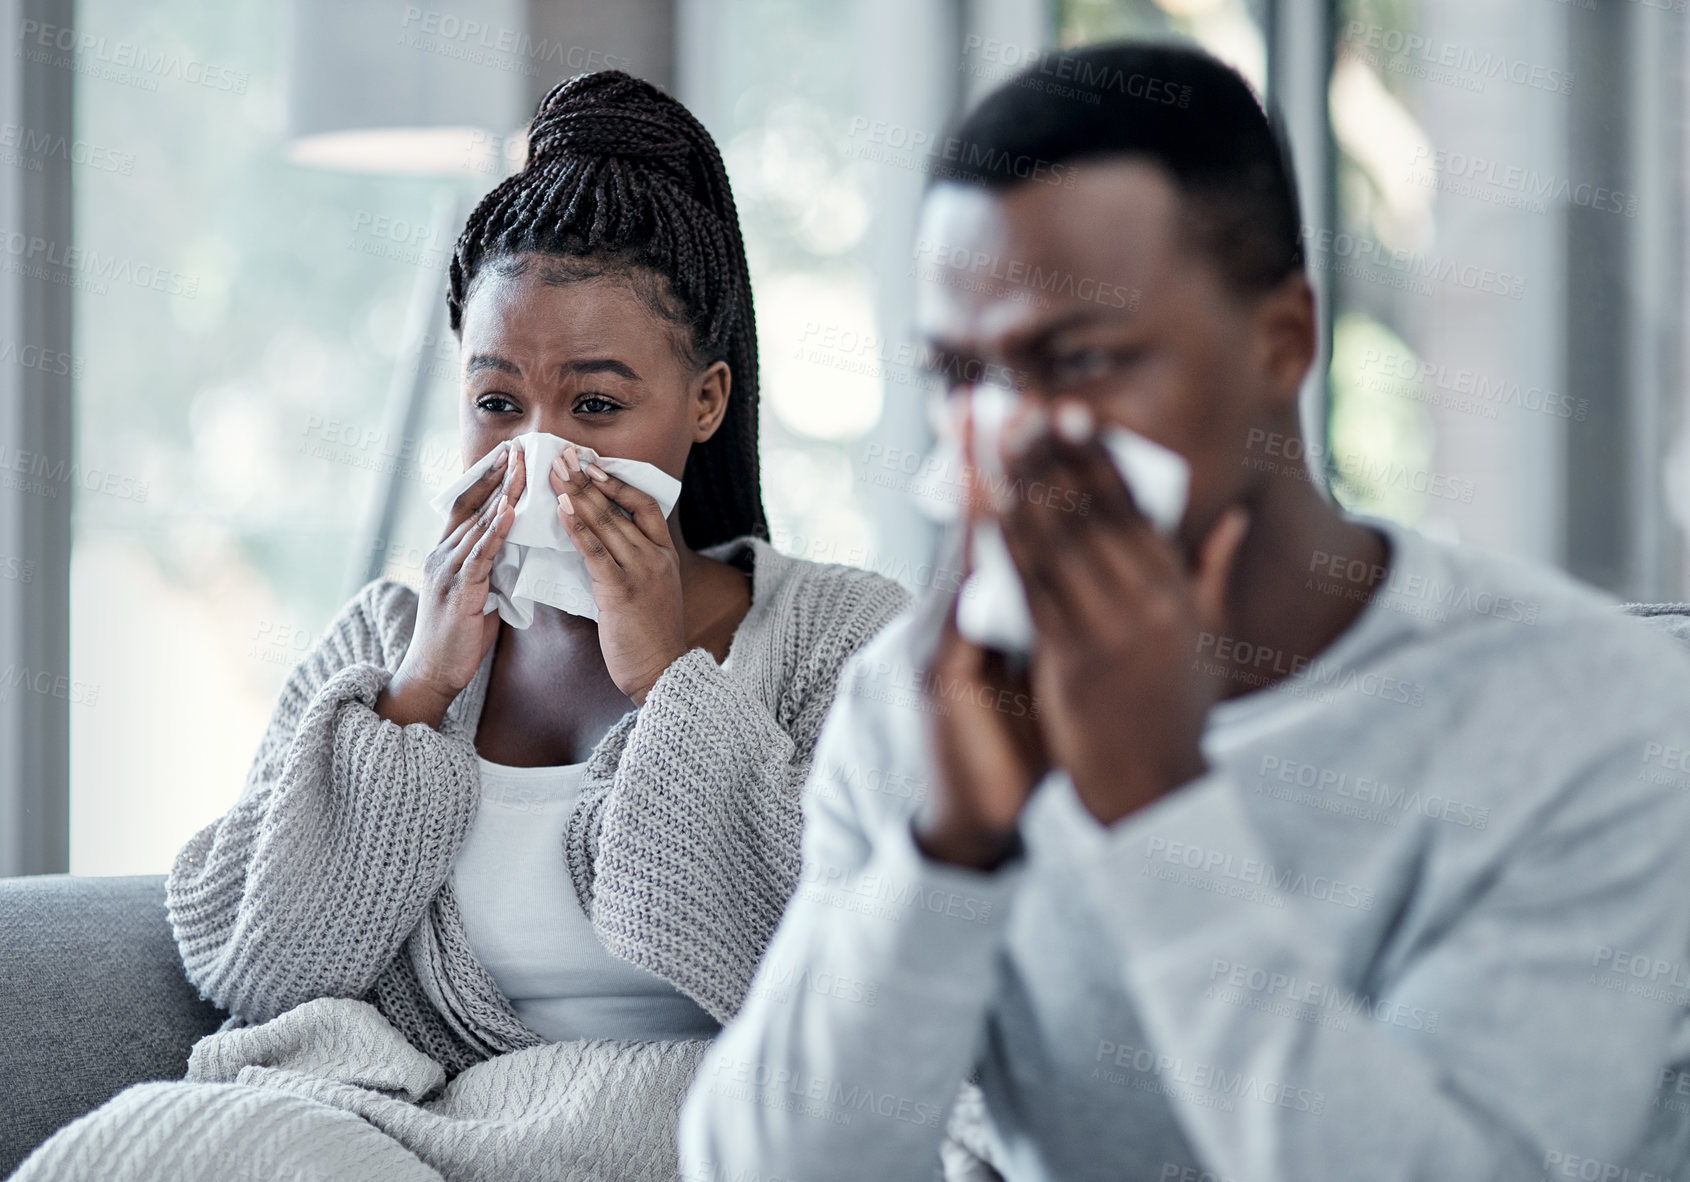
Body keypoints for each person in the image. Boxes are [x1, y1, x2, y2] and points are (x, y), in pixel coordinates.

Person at [678, 42, 1690, 1182]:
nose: (1013, 437)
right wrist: (946, 853)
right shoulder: (921, 700)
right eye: (961, 376)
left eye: (1080, 359)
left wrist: (1155, 805)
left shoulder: (1590, 715)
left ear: (1283, 341)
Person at [10, 71, 909, 1182]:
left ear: (706, 401)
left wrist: (667, 681)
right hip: (400, 1122)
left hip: (692, 1125)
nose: (538, 455)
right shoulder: (382, 640)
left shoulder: (845, 641)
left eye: (594, 404)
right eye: (497, 404)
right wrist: (412, 700)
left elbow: (877, 977)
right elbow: (251, 966)